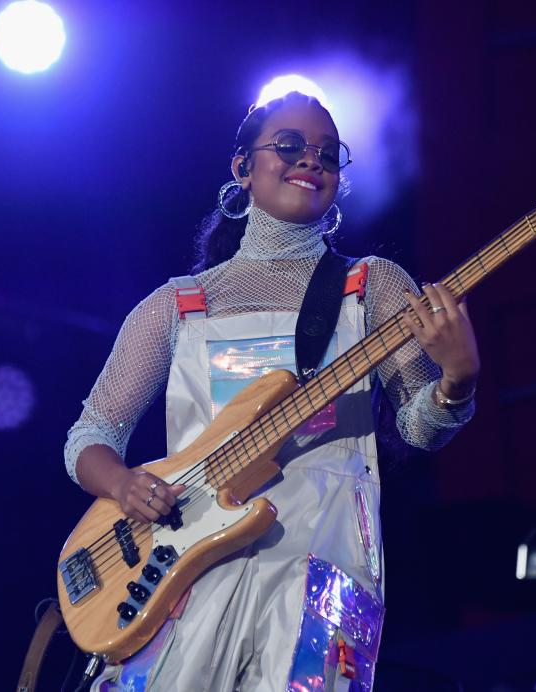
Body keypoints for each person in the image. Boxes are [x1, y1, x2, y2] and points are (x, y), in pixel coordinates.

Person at [63, 91, 480, 691]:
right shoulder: (177, 306)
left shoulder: (372, 287)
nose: (310, 161)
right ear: (242, 168)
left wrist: (456, 383)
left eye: (328, 154)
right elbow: (89, 436)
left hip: (324, 566)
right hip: (182, 570)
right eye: (289, 146)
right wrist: (125, 484)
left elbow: (418, 428)